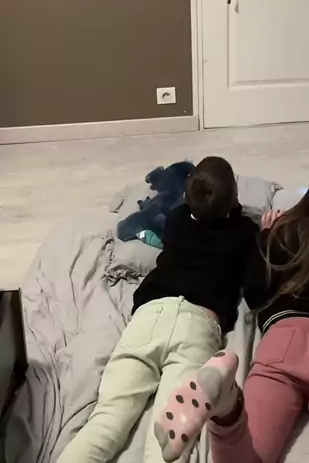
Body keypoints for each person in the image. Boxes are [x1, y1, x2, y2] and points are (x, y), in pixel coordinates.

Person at [155, 157, 309, 463]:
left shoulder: (287, 232)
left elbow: (255, 292)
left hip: (282, 339)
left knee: (245, 457)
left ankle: (227, 411)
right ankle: (226, 408)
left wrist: (266, 235)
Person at [57, 156, 259, 463]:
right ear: (234, 198)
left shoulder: (177, 220)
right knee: (167, 438)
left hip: (149, 316)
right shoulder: (244, 232)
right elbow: (256, 288)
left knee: (107, 421)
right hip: (197, 324)